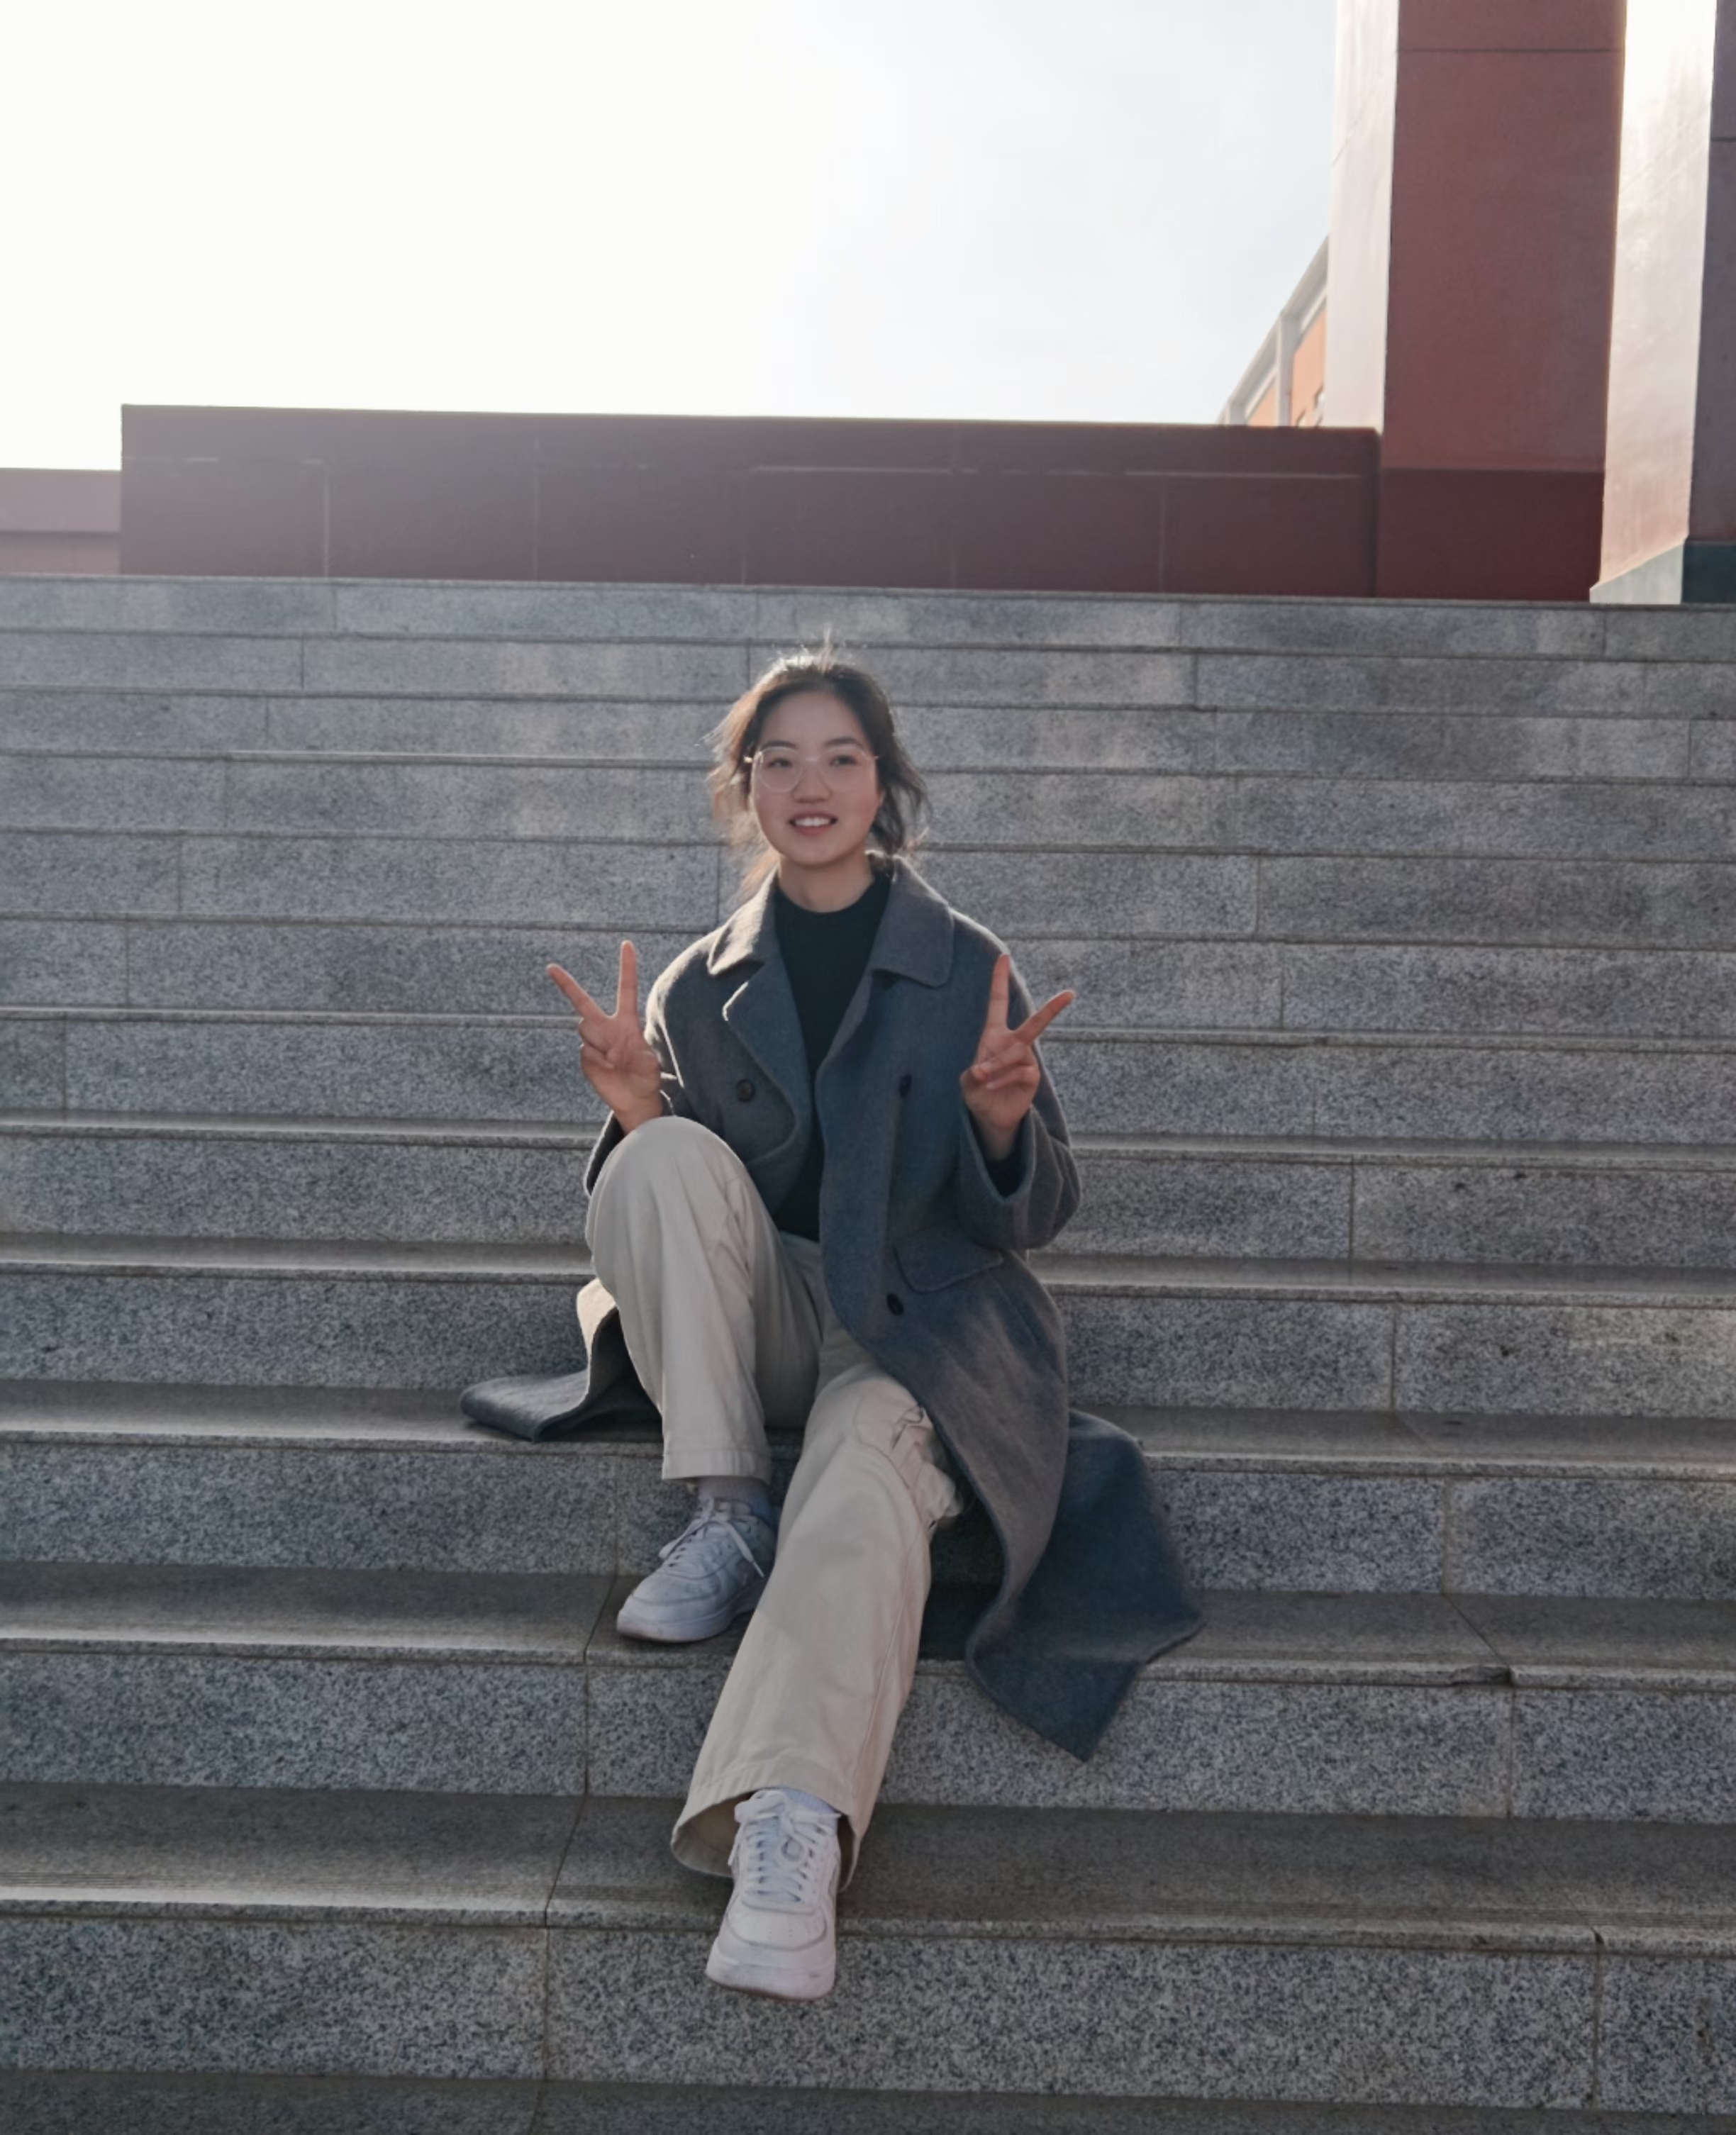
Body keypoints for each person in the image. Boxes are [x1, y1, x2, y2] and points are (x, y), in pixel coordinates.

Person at [474, 647, 1202, 2004]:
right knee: (659, 1160)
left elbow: (1035, 1213)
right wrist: (639, 1106)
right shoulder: (700, 981)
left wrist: (1001, 1125)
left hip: (916, 1325)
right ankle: (728, 1508)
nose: (810, 784)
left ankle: (790, 1828)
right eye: (780, 760)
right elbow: (682, 1230)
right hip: (769, 1322)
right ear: (745, 788)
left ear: (883, 783)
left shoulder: (967, 963)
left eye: (841, 757)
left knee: (869, 1461)